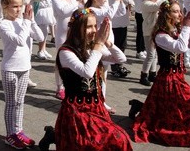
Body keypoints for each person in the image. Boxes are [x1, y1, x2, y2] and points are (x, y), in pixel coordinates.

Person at [131, 0, 190, 147]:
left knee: (183, 107)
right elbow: (180, 47)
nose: (179, 14)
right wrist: (186, 27)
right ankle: (141, 109)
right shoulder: (160, 35)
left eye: (179, 11)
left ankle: (140, 107)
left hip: (178, 78)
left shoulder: (177, 30)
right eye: (175, 11)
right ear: (167, 14)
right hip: (168, 80)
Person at [51, 8, 132, 151]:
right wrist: (98, 46)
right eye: (89, 26)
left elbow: (121, 59)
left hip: (96, 107)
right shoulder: (66, 52)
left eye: (95, 26)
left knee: (119, 138)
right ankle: (52, 135)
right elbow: (86, 72)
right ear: (77, 28)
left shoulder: (92, 48)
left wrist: (107, 42)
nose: (94, 30)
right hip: (78, 111)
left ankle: (52, 135)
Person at [0, 0, 44, 149]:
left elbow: (40, 37)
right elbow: (19, 40)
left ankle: (18, 130)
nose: (19, 10)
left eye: (20, 6)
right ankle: (10, 134)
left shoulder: (22, 21)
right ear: (5, 6)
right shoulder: (4, 24)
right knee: (11, 102)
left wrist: (31, 21)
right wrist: (26, 22)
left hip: (25, 67)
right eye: (15, 6)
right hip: (10, 68)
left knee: (21, 101)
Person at [52, 0, 82, 99]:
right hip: (62, 35)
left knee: (74, 61)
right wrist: (77, 2)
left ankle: (72, 84)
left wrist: (81, 4)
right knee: (61, 62)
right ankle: (59, 87)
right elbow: (63, 11)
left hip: (74, 34)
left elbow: (82, 11)